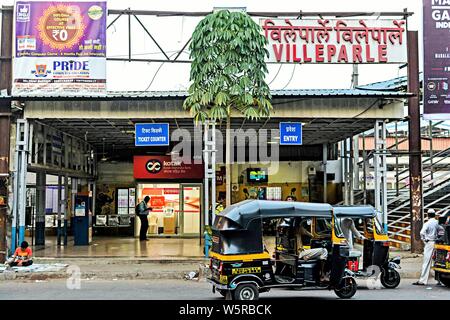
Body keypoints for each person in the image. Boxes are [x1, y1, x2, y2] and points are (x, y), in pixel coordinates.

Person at [413, 209, 440, 286]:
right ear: (434, 215)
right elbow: (441, 231)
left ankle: (422, 281)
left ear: (428, 215)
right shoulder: (437, 223)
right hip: (437, 243)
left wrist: (425, 240)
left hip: (429, 243)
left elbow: (422, 233)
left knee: (426, 262)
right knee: (437, 262)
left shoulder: (427, 223)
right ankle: (439, 280)